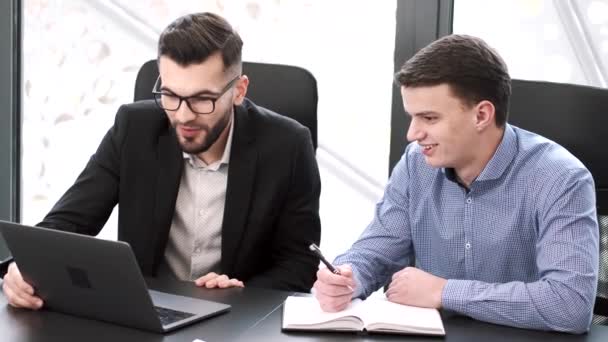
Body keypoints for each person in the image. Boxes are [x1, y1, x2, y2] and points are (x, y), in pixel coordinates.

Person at [2, 12, 321, 310]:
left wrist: (241, 292)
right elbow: (65, 224)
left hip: (235, 320)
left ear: (239, 90)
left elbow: (299, 263)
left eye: (202, 99)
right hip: (146, 315)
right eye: (170, 95)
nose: (183, 115)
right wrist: (23, 268)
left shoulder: (289, 145)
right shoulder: (134, 129)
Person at [313, 34, 598, 333]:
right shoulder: (416, 164)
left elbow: (569, 304)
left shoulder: (561, 178)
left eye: (429, 118)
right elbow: (377, 250)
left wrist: (444, 292)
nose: (413, 134)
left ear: (482, 115)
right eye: (412, 117)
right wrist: (348, 278)